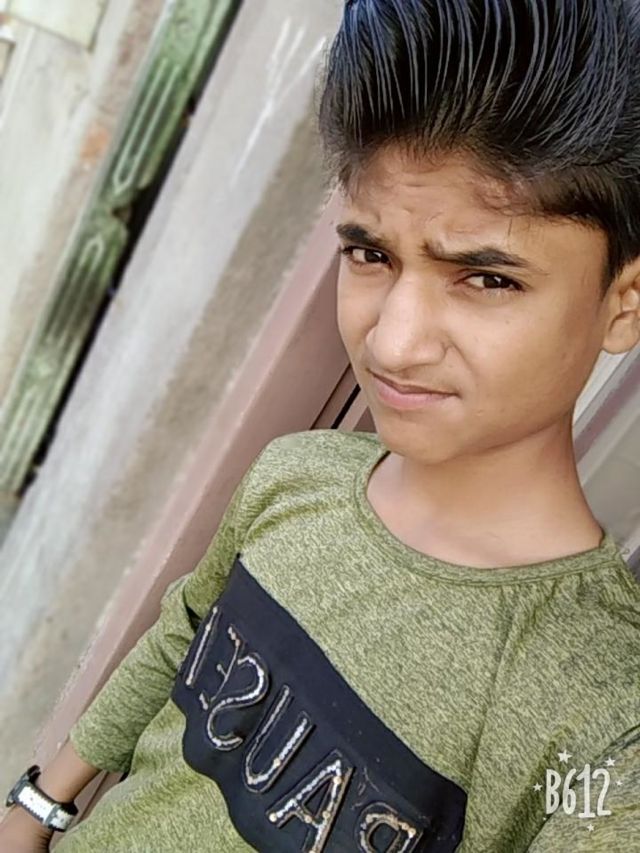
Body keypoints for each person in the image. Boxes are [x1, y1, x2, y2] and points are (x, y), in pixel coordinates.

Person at [2, 0, 640, 850]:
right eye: (372, 255)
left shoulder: (604, 719)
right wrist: (38, 805)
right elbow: (184, 629)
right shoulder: (295, 475)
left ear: (623, 303)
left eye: (487, 278)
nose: (393, 341)